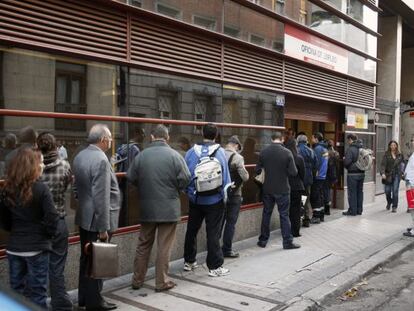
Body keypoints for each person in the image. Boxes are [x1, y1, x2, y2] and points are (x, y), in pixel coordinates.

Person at [128, 125, 190, 292]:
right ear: (167, 138)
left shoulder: (142, 155)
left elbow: (131, 177)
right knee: (164, 246)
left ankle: (137, 280)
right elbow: (186, 178)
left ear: (152, 137)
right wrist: (175, 190)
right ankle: (161, 282)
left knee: (143, 244)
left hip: (147, 207)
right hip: (169, 208)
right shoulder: (175, 156)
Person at [0, 148, 59, 309]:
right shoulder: (41, 188)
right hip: (36, 249)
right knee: (38, 295)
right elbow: (52, 218)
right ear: (32, 166)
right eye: (39, 163)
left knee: (16, 294)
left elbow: (5, 221)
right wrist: (46, 235)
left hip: (14, 248)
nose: (42, 166)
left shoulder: (7, 189)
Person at [73, 124, 121, 311]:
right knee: (97, 260)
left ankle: (84, 298)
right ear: (103, 140)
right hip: (97, 220)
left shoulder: (80, 156)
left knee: (86, 259)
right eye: (109, 138)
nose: (110, 141)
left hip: (85, 216)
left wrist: (83, 202)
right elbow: (101, 197)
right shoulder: (101, 159)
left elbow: (76, 188)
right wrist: (103, 229)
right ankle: (95, 302)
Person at [183, 123, 231, 277]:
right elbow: (225, 178)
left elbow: (186, 175)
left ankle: (189, 261)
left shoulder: (191, 152)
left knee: (192, 230)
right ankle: (215, 266)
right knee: (213, 232)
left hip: (196, 199)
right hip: (214, 200)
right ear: (216, 135)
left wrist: (191, 194)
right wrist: (224, 197)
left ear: (201, 133)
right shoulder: (220, 152)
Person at [37, 132, 73, 311]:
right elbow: (67, 186)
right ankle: (60, 303)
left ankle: (39, 303)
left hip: (38, 224)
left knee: (38, 267)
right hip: (58, 220)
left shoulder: (34, 168)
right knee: (57, 266)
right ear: (55, 146)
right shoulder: (65, 166)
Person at [256, 131, 300, 249]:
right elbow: (293, 172)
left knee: (266, 213)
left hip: (268, 188)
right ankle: (287, 242)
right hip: (283, 188)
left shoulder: (264, 152)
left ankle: (263, 240)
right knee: (284, 215)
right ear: (282, 139)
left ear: (271, 139)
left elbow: (257, 170)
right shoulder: (287, 152)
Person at [222, 135, 249, 258]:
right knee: (230, 223)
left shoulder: (218, 154)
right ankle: (227, 250)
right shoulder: (238, 158)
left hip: (219, 194)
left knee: (218, 222)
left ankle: (214, 248)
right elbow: (245, 177)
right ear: (237, 146)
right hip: (234, 194)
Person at [284, 138, 305, 237]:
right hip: (297, 187)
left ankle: (286, 230)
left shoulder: (284, 157)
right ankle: (295, 231)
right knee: (296, 210)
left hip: (285, 186)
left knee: (285, 210)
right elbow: (302, 174)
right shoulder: (299, 158)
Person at [297, 134, 318, 227]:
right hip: (308, 179)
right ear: (306, 141)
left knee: (297, 199)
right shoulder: (311, 151)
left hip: (298, 179)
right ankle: (306, 219)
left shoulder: (296, 150)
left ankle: (297, 218)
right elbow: (316, 165)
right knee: (306, 198)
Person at [343, 134, 365, 216]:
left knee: (352, 193)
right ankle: (359, 210)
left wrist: (344, 160)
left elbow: (347, 162)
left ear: (351, 139)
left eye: (348, 140)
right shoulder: (361, 148)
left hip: (352, 175)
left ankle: (352, 211)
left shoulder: (351, 149)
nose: (348, 142)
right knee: (360, 192)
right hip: (361, 174)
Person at [380, 140, 404, 212]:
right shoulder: (386, 154)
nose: (393, 146)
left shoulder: (400, 154)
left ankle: (394, 206)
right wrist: (383, 173)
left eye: (394, 145)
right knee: (387, 191)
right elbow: (383, 165)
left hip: (397, 175)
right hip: (388, 175)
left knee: (395, 191)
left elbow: (402, 164)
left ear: (396, 146)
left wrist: (402, 172)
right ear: (389, 146)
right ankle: (389, 201)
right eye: (391, 145)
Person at [310, 132, 329, 223]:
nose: (311, 140)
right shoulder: (325, 149)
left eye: (312, 138)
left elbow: (315, 163)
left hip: (317, 176)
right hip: (323, 175)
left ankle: (316, 216)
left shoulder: (317, 149)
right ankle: (321, 215)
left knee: (315, 196)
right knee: (320, 195)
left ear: (316, 139)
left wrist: (313, 174)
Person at [324, 140, 340, 215]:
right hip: (332, 175)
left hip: (326, 174)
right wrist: (336, 176)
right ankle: (328, 208)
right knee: (328, 191)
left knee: (325, 191)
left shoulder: (325, 153)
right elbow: (337, 166)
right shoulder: (336, 153)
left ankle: (326, 208)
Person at [403, 145, 414, 237]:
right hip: (410, 182)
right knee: (412, 207)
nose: (412, 142)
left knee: (412, 207)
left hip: (412, 184)